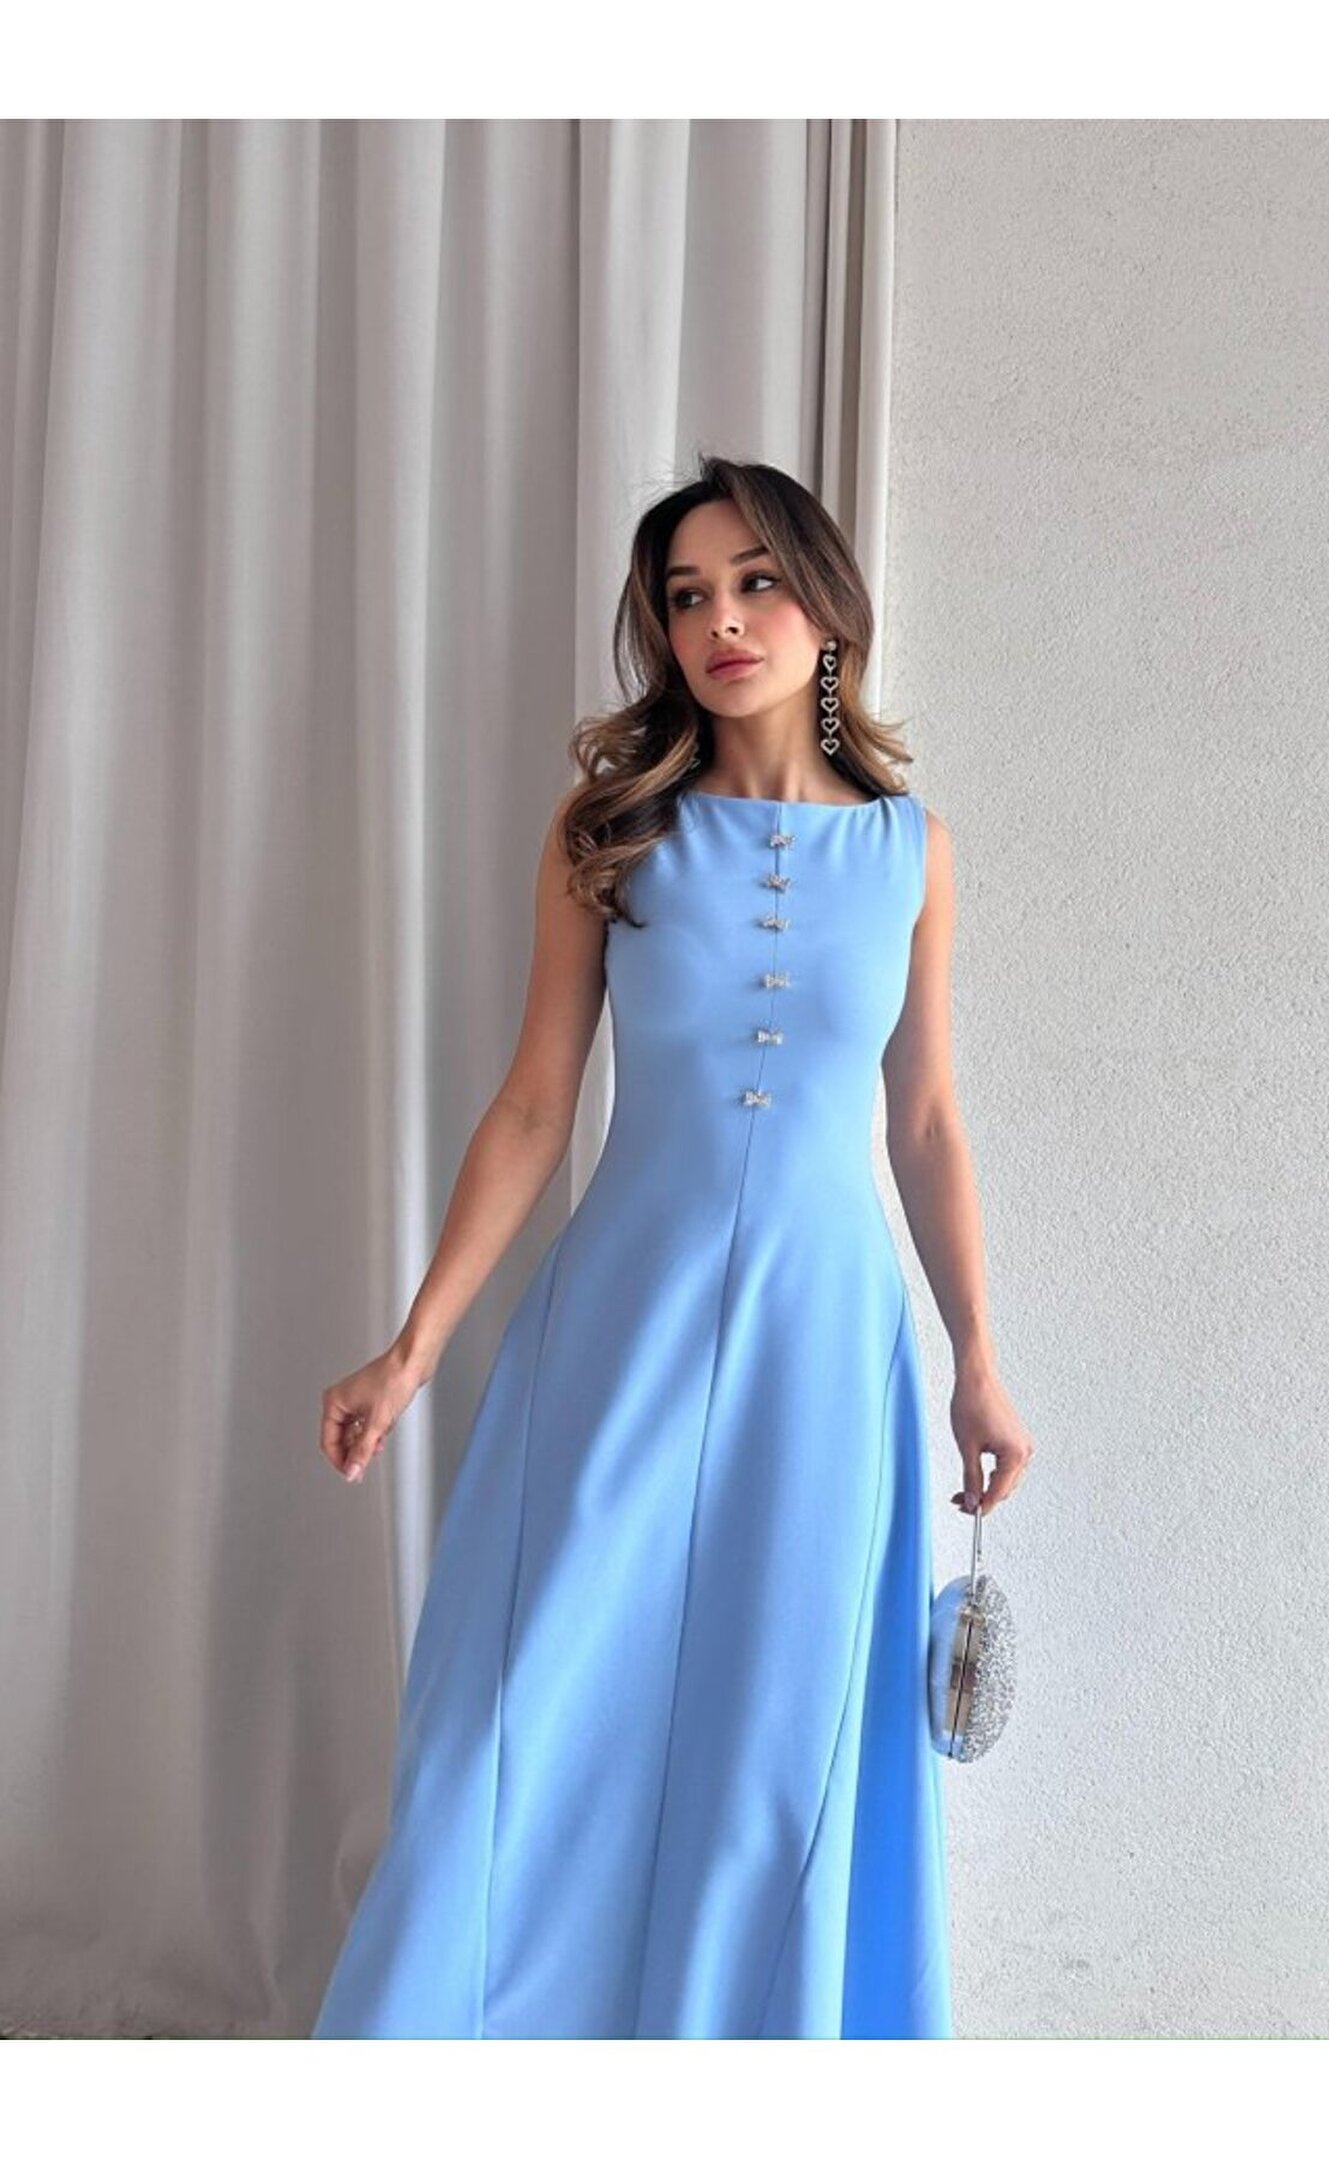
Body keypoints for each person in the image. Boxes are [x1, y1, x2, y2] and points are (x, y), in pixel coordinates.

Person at [310, 454, 1035, 2040]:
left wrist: (978, 1357)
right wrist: (413, 1347)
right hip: (620, 1332)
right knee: (526, 1712)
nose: (722, 621)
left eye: (756, 583)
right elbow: (533, 1105)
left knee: (776, 1741)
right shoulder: (612, 832)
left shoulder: (911, 853)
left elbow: (925, 1120)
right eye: (688, 596)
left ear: (828, 607)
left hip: (823, 1349)